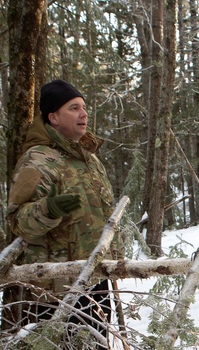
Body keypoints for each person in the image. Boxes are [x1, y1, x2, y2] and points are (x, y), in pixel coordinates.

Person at [6, 79, 123, 348]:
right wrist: (49, 209)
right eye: (73, 108)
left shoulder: (89, 159)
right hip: (55, 289)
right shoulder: (37, 160)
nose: (83, 114)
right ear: (53, 117)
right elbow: (17, 221)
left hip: (95, 281)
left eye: (84, 107)